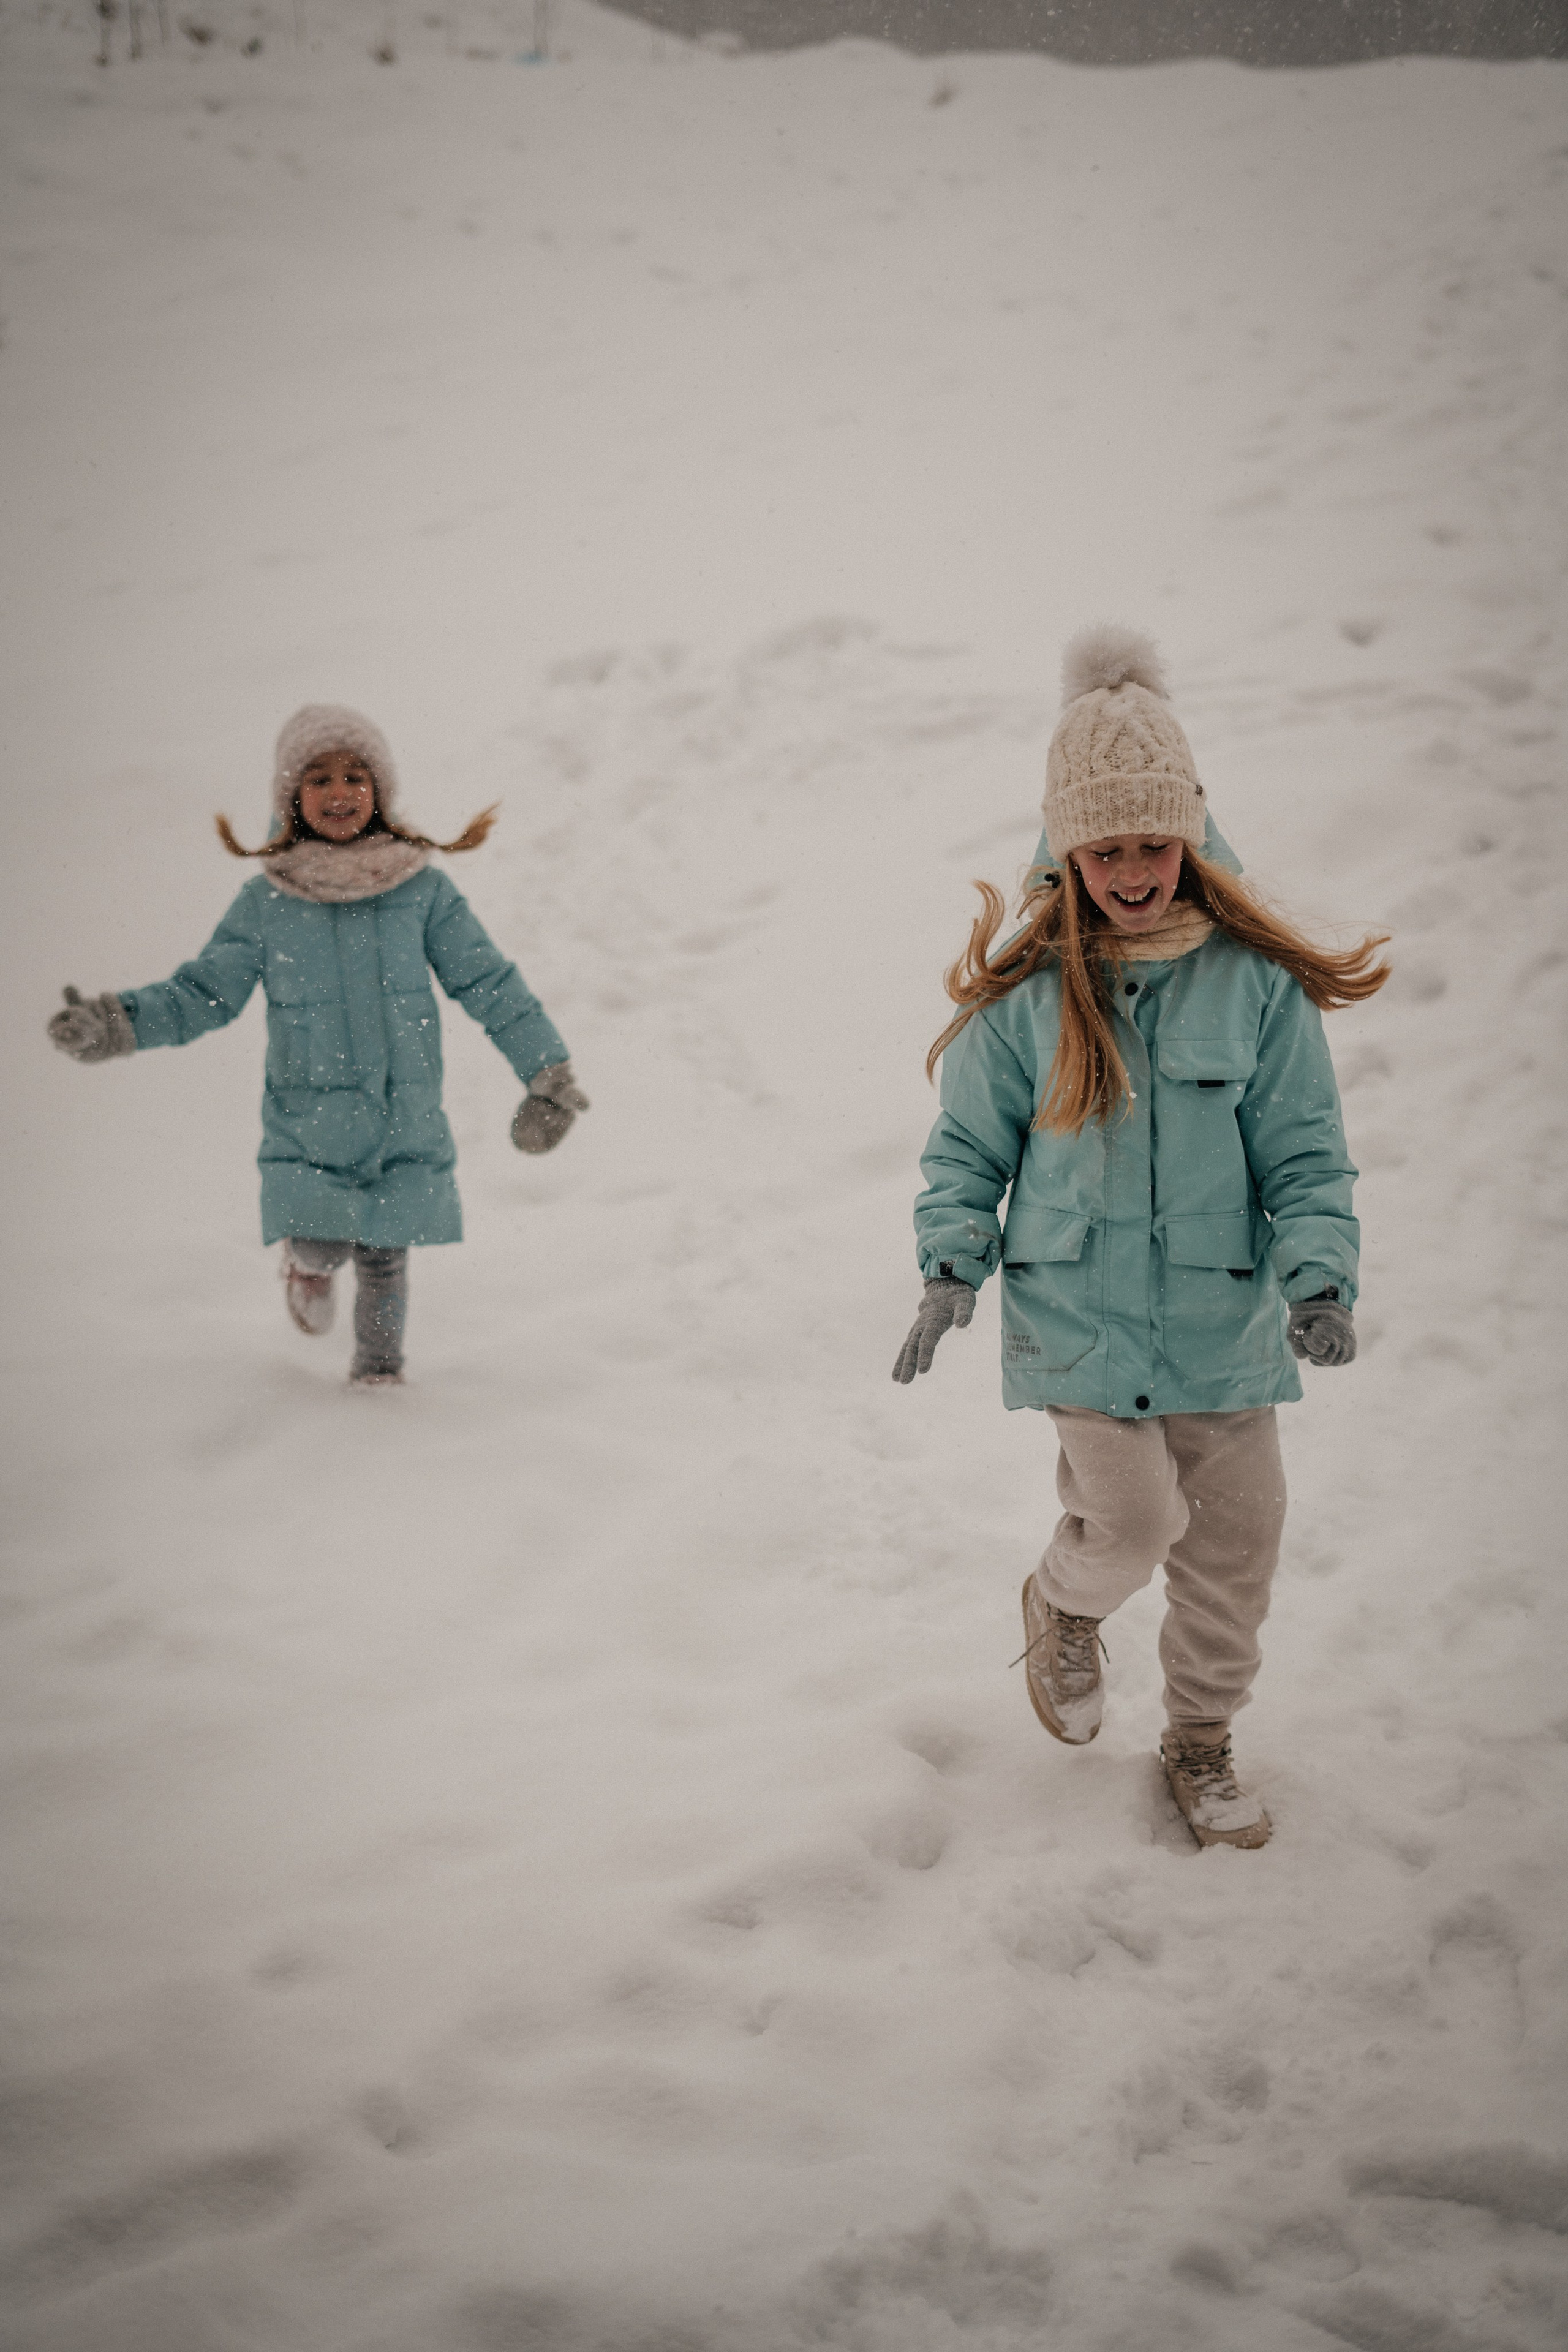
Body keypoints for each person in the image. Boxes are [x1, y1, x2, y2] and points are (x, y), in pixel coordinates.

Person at [892, 627, 1388, 1849]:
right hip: (1084, 1324)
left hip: (1220, 1327)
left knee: (1234, 1552)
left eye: (1150, 842)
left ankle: (1201, 1739)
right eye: (1102, 846)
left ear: (1191, 837)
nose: (1128, 868)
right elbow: (966, 1149)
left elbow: (1303, 1151)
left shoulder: (1253, 985)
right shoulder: (1027, 997)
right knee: (1131, 1525)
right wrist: (950, 1265)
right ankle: (1062, 1606)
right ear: (1066, 847)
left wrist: (1318, 1273)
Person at [47, 704, 587, 1387]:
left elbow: (488, 982)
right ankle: (306, 1265)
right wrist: (118, 1022)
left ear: (381, 791)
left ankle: (379, 1379)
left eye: (356, 776)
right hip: (310, 1123)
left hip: (403, 1118)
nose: (340, 793)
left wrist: (547, 1069)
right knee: (325, 1240)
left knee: (386, 1259)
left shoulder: (422, 892)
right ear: (291, 799)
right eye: (319, 779)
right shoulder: (268, 903)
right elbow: (204, 993)